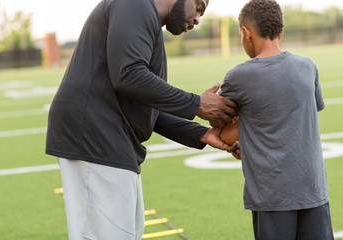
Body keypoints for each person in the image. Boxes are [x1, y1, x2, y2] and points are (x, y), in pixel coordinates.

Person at [46, 0, 238, 239]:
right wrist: (196, 104)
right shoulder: (134, 4)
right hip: (95, 134)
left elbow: (144, 102)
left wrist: (201, 133)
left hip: (110, 136)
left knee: (127, 233)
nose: (198, 18)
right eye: (198, 6)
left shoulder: (144, 16)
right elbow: (128, 75)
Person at [219, 0, 334, 239]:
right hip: (313, 190)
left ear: (245, 32)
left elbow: (223, 132)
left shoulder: (238, 76)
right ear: (280, 32)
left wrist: (245, 134)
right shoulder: (307, 66)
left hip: (271, 196)